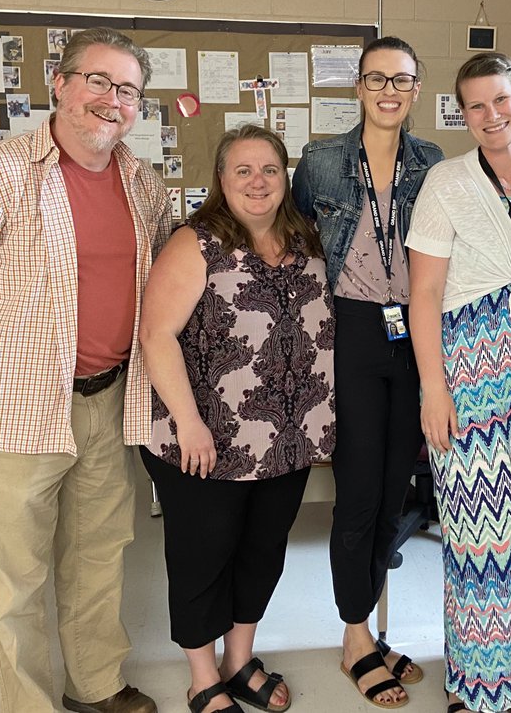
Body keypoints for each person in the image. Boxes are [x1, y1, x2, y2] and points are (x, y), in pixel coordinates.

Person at [0, 27, 168, 713]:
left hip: (108, 401)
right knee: (16, 574)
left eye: (128, 89)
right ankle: (28, 704)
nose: (112, 101)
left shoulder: (143, 184)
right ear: (60, 82)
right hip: (14, 406)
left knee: (98, 555)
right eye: (98, 82)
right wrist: (4, 338)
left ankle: (96, 685)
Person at [139, 124, 335, 713]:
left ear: (285, 179)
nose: (257, 181)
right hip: (206, 438)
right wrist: (189, 422)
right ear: (221, 180)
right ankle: (203, 678)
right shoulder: (195, 243)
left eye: (270, 170)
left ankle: (239, 658)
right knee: (204, 554)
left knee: (263, 550)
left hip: (289, 438)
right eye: (242, 170)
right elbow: (156, 334)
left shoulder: (308, 241)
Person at [406, 52, 511, 713]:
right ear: (461, 114)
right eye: (476, 106)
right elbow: (423, 296)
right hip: (472, 378)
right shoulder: (446, 182)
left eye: (500, 100)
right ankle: (476, 683)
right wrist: (434, 391)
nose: (491, 115)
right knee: (480, 539)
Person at [292, 36, 443, 709]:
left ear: (415, 91)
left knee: (395, 490)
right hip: (348, 329)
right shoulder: (321, 162)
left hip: (411, 331)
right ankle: (355, 634)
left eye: (402, 80)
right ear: (357, 87)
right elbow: (294, 253)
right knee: (356, 492)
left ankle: (372, 629)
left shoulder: (432, 163)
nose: (389, 91)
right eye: (377, 79)